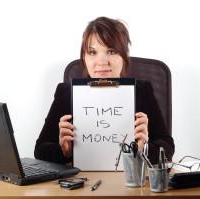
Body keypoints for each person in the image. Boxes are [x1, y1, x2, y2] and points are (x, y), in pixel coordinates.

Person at [34, 16, 175, 165]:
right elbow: (40, 149)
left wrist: (144, 149)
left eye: (112, 51)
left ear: (125, 55)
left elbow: (168, 147)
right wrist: (65, 152)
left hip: (129, 179)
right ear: (84, 57)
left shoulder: (142, 92)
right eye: (93, 53)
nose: (102, 62)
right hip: (82, 181)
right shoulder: (66, 93)